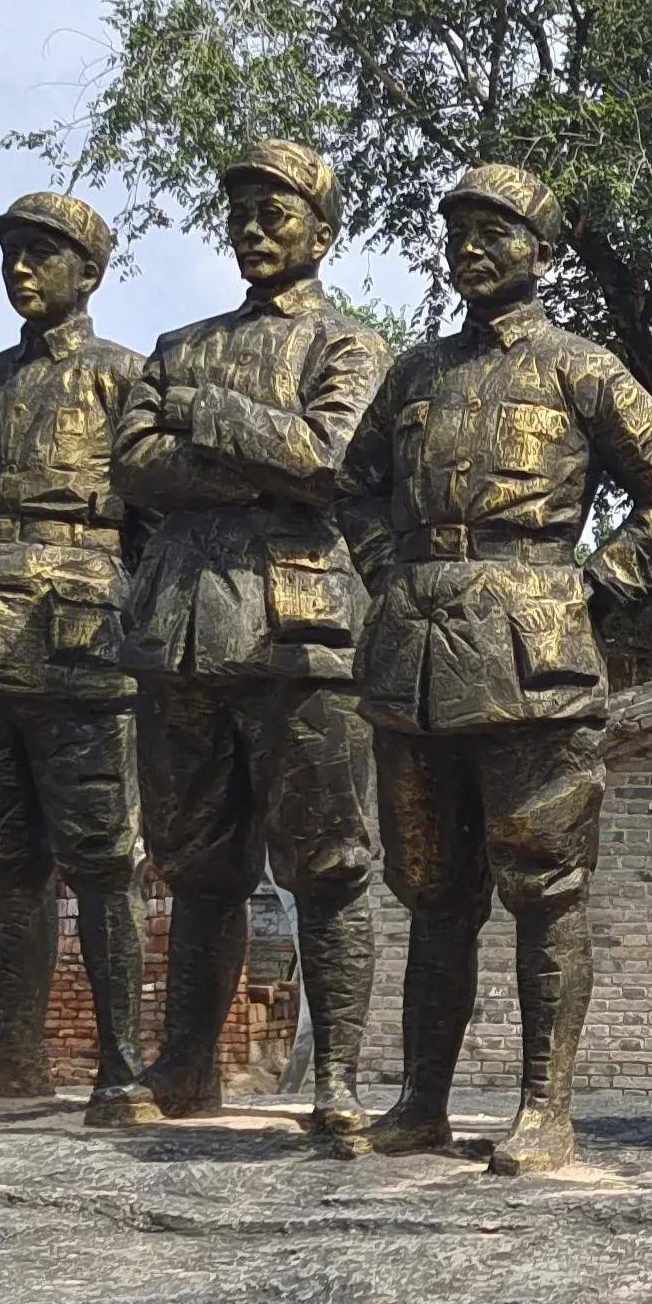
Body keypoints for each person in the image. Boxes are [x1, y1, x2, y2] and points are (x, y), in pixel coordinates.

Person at [344, 162, 652, 1174]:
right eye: (457, 230)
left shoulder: (580, 368)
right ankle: (420, 1101)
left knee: (544, 885)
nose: (470, 246)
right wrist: (386, 571)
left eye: (493, 230)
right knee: (430, 891)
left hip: (532, 657)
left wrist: (599, 586)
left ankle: (543, 1109)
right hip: (414, 657)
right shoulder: (414, 374)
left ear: (540, 252)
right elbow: (357, 489)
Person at [112, 142, 388, 1130]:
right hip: (180, 629)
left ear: (323, 230)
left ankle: (339, 1079)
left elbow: (328, 460)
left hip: (301, 631)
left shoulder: (349, 346)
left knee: (328, 861)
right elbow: (135, 468)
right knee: (194, 863)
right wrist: (256, 459)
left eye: (276, 212)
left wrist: (206, 418)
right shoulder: (175, 343)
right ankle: (186, 1064)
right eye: (238, 212)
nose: (254, 229)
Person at [0, 191, 160, 1125]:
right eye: (11, 252)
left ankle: (123, 1064)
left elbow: (153, 524)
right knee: (4, 851)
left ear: (87, 273)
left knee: (100, 858)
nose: (21, 268)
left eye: (41, 254)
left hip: (83, 639)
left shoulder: (127, 378)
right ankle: (13, 1053)